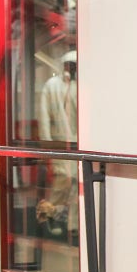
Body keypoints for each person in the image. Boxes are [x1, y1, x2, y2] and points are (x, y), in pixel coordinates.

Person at [36, 50, 78, 239]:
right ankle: (48, 215)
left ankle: (73, 226)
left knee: (77, 186)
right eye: (69, 65)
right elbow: (44, 117)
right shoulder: (51, 86)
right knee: (64, 182)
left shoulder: (80, 86)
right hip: (60, 145)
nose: (71, 69)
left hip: (79, 145)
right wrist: (47, 145)